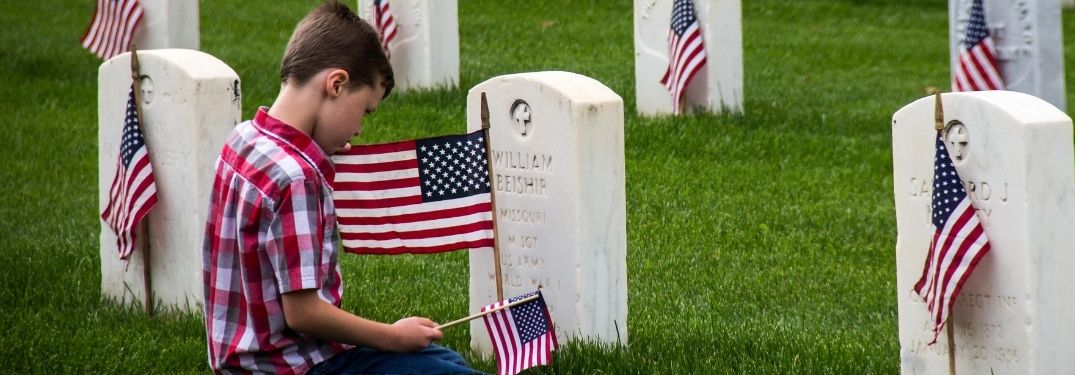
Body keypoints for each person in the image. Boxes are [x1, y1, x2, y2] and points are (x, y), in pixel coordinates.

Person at [201, 2, 478, 374]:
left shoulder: (244, 139)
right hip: (294, 365)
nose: (360, 128)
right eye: (365, 110)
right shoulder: (297, 177)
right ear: (337, 84)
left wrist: (320, 156)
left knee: (438, 360)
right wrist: (391, 335)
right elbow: (303, 313)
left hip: (245, 358)